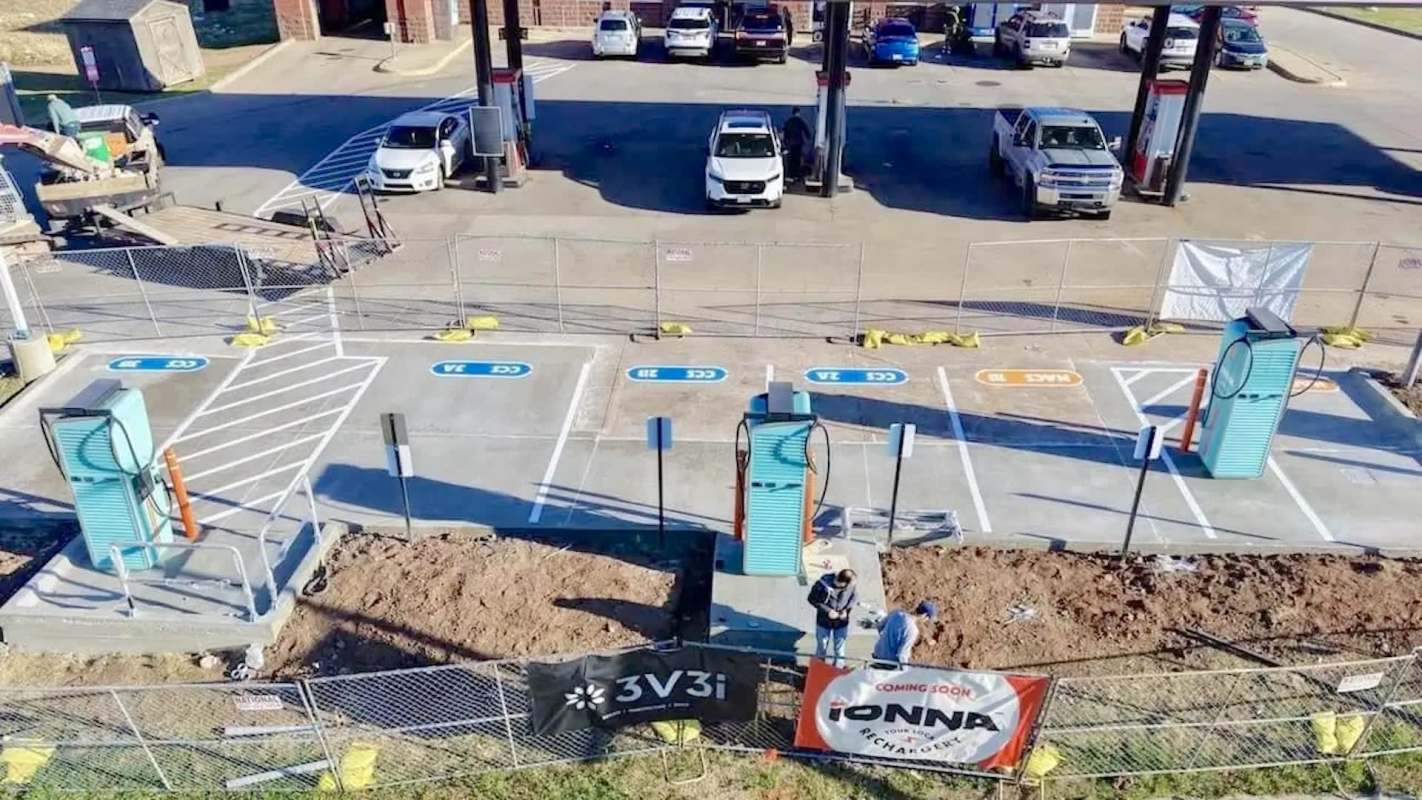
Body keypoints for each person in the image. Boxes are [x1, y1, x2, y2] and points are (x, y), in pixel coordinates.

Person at [807, 568, 857, 666]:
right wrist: (828, 611)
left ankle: (838, 671)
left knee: (840, 651)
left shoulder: (851, 585)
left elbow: (853, 598)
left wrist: (846, 610)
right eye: (849, 586)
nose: (851, 587)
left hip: (841, 622)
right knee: (822, 648)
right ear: (842, 583)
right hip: (823, 622)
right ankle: (819, 669)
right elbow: (811, 599)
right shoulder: (822, 585)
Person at [872, 601, 938, 664]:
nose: (927, 621)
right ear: (924, 615)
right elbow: (902, 655)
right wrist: (905, 671)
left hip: (877, 654)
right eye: (928, 618)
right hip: (888, 664)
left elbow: (879, 626)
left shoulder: (896, 613)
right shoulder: (912, 630)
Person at [782, 107, 812, 182]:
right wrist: (809, 137)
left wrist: (785, 142)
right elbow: (806, 131)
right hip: (798, 143)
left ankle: (791, 174)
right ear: (798, 113)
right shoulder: (800, 121)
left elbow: (785, 132)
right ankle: (797, 175)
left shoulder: (789, 121)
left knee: (791, 159)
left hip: (791, 143)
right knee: (798, 159)